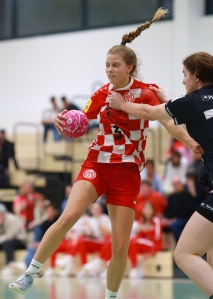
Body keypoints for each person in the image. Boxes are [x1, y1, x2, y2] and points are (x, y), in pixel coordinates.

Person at [9, 9, 201, 298]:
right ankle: (32, 271)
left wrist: (188, 141)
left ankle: (111, 295)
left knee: (120, 246)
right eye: (107, 65)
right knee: (68, 215)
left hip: (126, 173)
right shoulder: (101, 94)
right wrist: (63, 122)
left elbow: (168, 123)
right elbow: (80, 120)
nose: (109, 70)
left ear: (130, 68)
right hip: (96, 164)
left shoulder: (147, 93)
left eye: (115, 65)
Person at [109, 51, 213, 298]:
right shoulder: (210, 99)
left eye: (184, 74)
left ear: (197, 75)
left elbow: (149, 113)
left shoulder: (190, 101)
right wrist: (168, 100)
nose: (183, 80)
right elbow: (198, 119)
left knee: (184, 253)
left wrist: (122, 105)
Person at [128, 201, 163, 278]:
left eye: (149, 209)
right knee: (131, 242)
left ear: (153, 210)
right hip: (143, 244)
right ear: (143, 210)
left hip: (153, 244)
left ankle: (134, 268)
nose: (147, 211)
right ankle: (135, 267)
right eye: (146, 209)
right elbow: (140, 237)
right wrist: (143, 230)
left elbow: (157, 238)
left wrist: (147, 231)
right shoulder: (141, 220)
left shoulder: (156, 220)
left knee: (133, 241)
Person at [0, 203, 27, 276]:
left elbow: (10, 235)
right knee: (6, 243)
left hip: (20, 240)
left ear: (4, 213)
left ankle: (10, 266)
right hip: (7, 240)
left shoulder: (11, 219)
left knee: (7, 244)